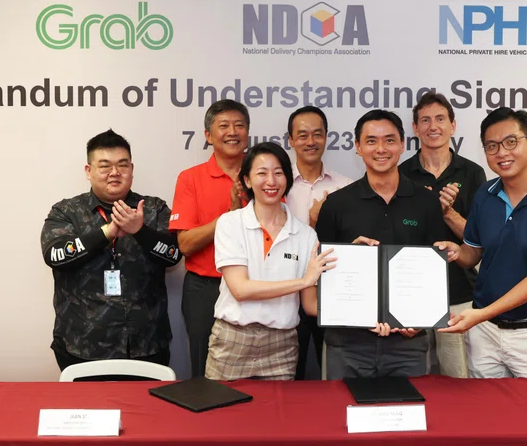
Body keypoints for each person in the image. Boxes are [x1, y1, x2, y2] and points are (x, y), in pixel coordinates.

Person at [437, 108, 527, 379]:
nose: (501, 152)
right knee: (486, 416)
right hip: (485, 334)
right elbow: (473, 254)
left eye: (511, 142)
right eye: (492, 146)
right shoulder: (484, 195)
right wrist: (457, 252)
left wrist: (480, 314)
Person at [314, 109, 446, 380]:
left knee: (408, 417)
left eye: (389, 140)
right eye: (371, 141)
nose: (381, 149)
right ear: (358, 147)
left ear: (402, 145)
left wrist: (419, 323)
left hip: (408, 344)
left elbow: (433, 273)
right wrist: (347, 256)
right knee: (342, 416)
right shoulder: (336, 205)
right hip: (348, 344)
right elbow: (320, 276)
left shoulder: (426, 202)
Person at [41, 129, 182, 372]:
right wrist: (106, 232)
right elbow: (55, 256)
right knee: (86, 410)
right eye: (105, 165)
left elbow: (173, 255)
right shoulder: (66, 211)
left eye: (122, 165)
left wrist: (140, 231)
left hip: (146, 346)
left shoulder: (153, 209)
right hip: (81, 346)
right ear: (89, 171)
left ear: (132, 169)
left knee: (147, 411)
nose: (114, 173)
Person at [207, 142, 336, 380]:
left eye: (278, 173)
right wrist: (302, 281)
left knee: (277, 415)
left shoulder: (306, 235)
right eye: (262, 173)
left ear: (287, 179)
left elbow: (309, 305)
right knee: (222, 414)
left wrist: (366, 313)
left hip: (282, 345)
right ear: (247, 180)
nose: (271, 181)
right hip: (233, 340)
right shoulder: (230, 223)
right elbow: (240, 289)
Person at [398, 92, 486, 378]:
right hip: (413, 291)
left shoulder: (472, 173)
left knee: (458, 380)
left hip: (460, 292)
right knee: (413, 378)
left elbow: (480, 240)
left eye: (440, 119)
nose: (432, 126)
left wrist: (447, 212)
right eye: (425, 120)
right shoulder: (401, 175)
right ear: (415, 128)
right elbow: (398, 233)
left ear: (453, 125)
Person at [170, 99, 250, 378]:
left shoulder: (263, 175)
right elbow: (186, 245)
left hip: (253, 288)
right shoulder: (190, 179)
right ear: (208, 136)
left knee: (253, 373)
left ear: (248, 134)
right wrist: (230, 216)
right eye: (224, 126)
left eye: (239, 125)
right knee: (204, 373)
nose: (233, 132)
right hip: (205, 290)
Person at [284, 106, 353, 380]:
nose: (310, 142)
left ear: (327, 138)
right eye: (302, 135)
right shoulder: (278, 184)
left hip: (331, 291)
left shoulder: (346, 187)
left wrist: (320, 224)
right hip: (286, 292)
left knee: (334, 371)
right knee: (290, 374)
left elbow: (350, 244)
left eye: (317, 134)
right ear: (290, 140)